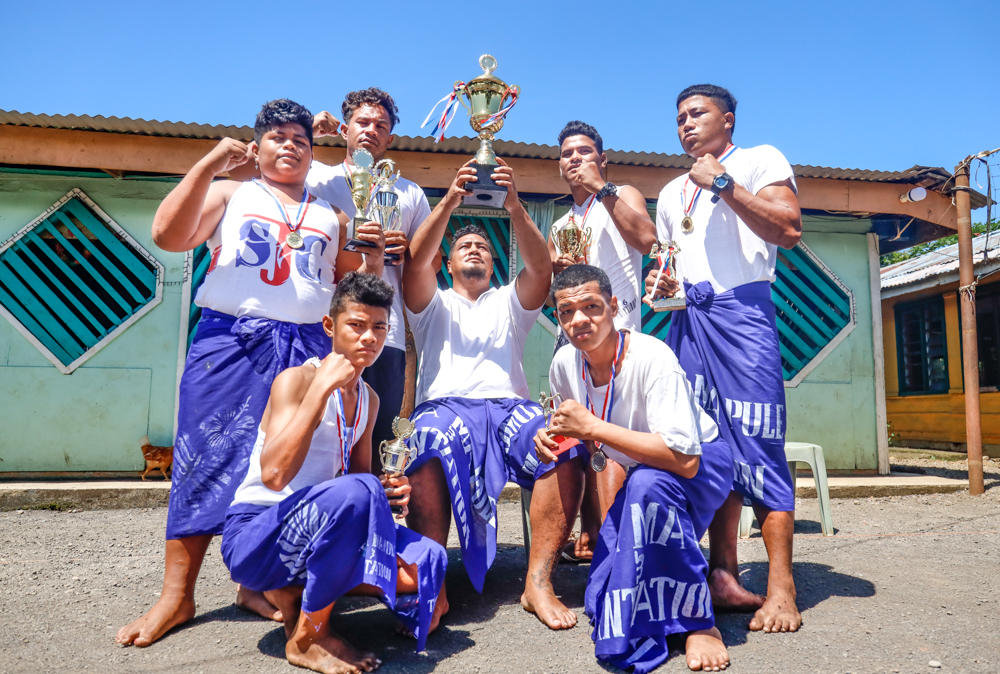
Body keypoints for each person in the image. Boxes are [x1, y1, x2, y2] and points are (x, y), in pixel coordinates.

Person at [117, 99, 387, 647]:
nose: (290, 145)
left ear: (314, 155)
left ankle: (261, 581)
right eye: (278, 137)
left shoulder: (330, 214)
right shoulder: (230, 193)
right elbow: (168, 236)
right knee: (205, 459)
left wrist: (374, 260)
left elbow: (341, 286)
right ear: (256, 146)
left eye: (302, 141)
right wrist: (210, 163)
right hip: (232, 340)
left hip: (308, 342)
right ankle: (178, 594)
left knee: (300, 462)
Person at [221, 272, 447, 673]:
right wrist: (320, 390)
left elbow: (356, 483)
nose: (369, 338)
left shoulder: (369, 399)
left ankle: (289, 591)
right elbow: (274, 475)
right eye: (356, 325)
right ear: (330, 326)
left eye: (379, 327)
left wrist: (386, 490)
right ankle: (308, 636)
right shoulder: (296, 380)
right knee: (359, 492)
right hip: (256, 533)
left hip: (315, 534)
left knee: (428, 562)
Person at [401, 159, 587, 630]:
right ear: (448, 262)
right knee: (426, 443)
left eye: (483, 246)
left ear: (494, 262)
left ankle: (538, 583)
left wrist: (514, 206)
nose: (475, 250)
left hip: (509, 410)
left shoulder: (509, 300)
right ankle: (433, 580)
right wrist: (449, 200)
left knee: (564, 442)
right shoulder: (430, 302)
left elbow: (542, 267)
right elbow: (416, 261)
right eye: (464, 245)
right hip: (443, 409)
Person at [644, 84, 803, 633]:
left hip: (744, 319)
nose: (686, 124)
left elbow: (787, 228)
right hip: (687, 322)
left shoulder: (760, 160)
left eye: (698, 114)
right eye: (680, 117)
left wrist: (726, 184)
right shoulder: (668, 192)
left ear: (728, 120)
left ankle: (782, 586)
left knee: (760, 441)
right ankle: (724, 575)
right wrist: (660, 282)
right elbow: (669, 260)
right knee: (706, 442)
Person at [540, 264, 732, 672]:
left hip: (699, 467)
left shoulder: (652, 356)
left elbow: (685, 458)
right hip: (647, 469)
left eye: (591, 307)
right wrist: (550, 436)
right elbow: (582, 435)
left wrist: (593, 427)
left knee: (647, 490)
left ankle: (699, 624)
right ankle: (670, 603)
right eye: (566, 312)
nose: (579, 321)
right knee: (601, 592)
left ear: (613, 307)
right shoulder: (563, 364)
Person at [548, 120, 657, 562]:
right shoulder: (561, 224)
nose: (575, 159)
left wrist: (603, 188)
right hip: (570, 339)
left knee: (618, 436)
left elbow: (647, 239)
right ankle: (591, 528)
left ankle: (620, 531)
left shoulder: (622, 193)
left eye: (584, 152)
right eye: (568, 154)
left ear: (602, 160)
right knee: (580, 438)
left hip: (620, 331)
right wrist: (557, 266)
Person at [307, 88, 430, 472]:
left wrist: (407, 247)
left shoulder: (409, 192)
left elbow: (431, 261)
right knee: (317, 434)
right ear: (344, 129)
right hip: (321, 325)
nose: (370, 130)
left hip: (382, 336)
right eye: (362, 122)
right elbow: (259, 160)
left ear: (390, 139)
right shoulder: (317, 178)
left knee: (377, 445)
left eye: (381, 126)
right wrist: (309, 130)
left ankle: (374, 525)